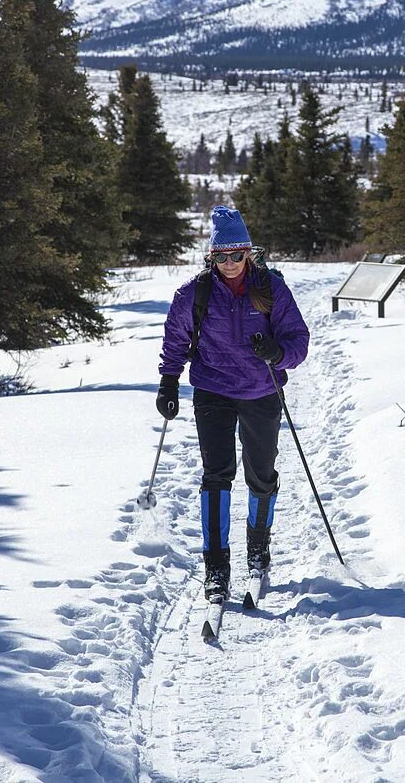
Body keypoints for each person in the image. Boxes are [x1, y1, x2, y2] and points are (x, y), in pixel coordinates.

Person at [156, 205, 310, 605]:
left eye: (236, 255)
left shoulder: (272, 289)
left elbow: (298, 342)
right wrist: (168, 381)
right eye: (220, 256)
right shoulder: (194, 293)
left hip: (261, 390)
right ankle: (216, 566)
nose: (229, 263)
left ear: (248, 253)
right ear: (211, 257)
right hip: (213, 391)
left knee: (261, 474)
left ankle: (258, 549)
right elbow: (175, 340)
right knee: (216, 475)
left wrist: (278, 352)